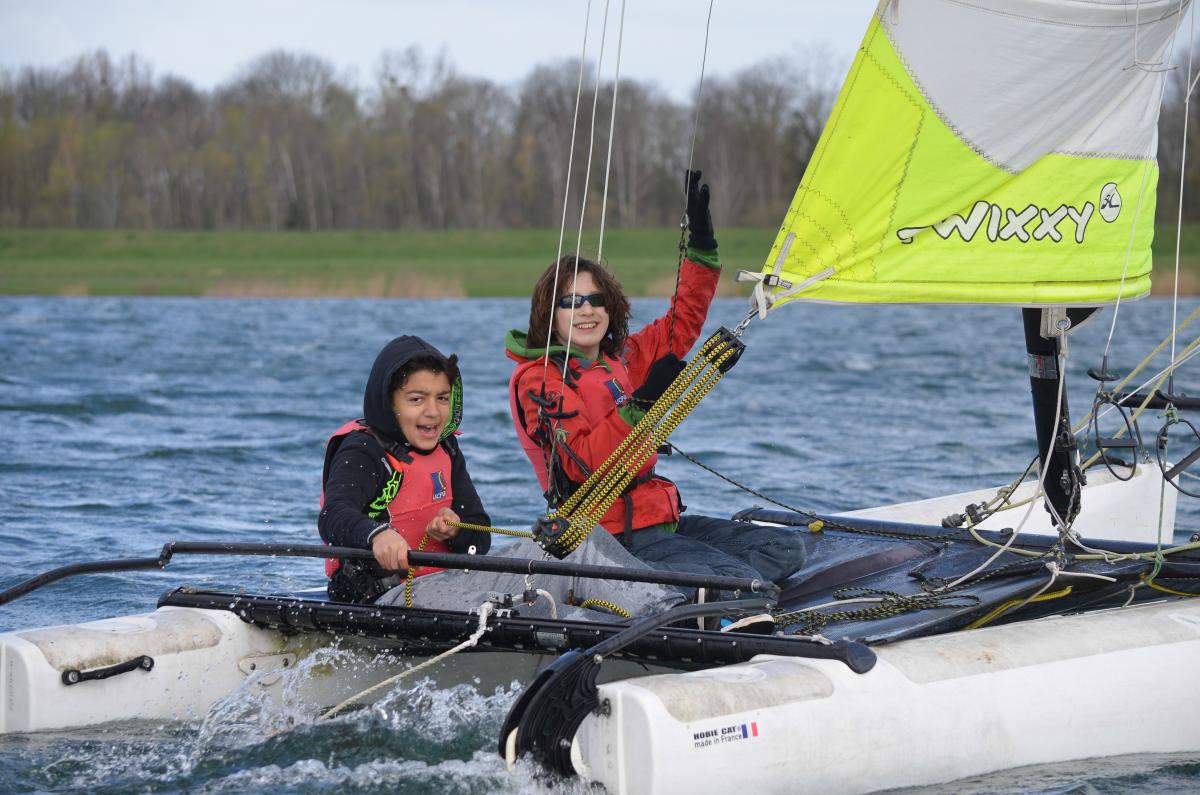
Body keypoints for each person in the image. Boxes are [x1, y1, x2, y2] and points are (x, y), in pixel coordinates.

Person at [504, 171, 806, 589]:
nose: (587, 310)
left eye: (596, 300)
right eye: (572, 302)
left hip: (658, 519)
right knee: (736, 579)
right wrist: (641, 404)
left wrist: (702, 244)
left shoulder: (621, 358)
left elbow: (681, 323)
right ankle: (658, 589)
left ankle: (676, 584)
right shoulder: (538, 382)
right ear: (549, 315)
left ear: (610, 308)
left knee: (785, 549)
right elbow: (582, 464)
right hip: (607, 534)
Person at [319, 335, 492, 603]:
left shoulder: (448, 448)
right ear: (388, 403)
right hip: (380, 596)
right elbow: (333, 516)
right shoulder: (364, 450)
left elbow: (480, 538)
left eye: (442, 398)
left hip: (449, 586)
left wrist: (457, 530)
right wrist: (377, 535)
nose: (433, 412)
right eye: (417, 399)